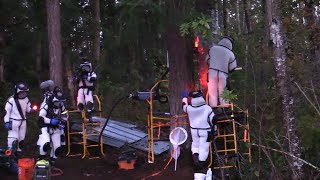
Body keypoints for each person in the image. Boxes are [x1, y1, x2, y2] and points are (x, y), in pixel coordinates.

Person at [182, 90, 215, 180]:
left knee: (195, 146)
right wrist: (214, 130)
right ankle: (201, 168)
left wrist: (184, 97)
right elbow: (213, 120)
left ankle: (196, 161)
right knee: (204, 148)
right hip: (205, 131)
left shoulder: (189, 108)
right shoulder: (207, 108)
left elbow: (184, 106)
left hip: (194, 131)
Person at [37, 87, 68, 165]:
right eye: (58, 101)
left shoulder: (61, 106)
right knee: (45, 144)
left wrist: (62, 122)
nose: (59, 103)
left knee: (57, 147)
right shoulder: (46, 104)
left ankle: (51, 163)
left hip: (56, 128)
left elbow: (65, 116)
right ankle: (41, 160)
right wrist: (50, 121)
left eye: (61, 102)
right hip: (45, 127)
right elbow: (40, 117)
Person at [3, 82, 34, 157]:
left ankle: (18, 153)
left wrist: (31, 109)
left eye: (25, 92)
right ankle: (10, 154)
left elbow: (27, 108)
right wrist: (6, 122)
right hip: (13, 121)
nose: (23, 94)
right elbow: (6, 112)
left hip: (23, 121)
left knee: (21, 138)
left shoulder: (26, 99)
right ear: (17, 91)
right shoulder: (11, 100)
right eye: (22, 92)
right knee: (13, 138)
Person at [206, 36, 237, 108]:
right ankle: (225, 110)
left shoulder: (213, 49)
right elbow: (232, 67)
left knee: (212, 93)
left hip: (212, 73)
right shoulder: (231, 54)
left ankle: (213, 109)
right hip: (223, 75)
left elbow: (207, 60)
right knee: (223, 92)